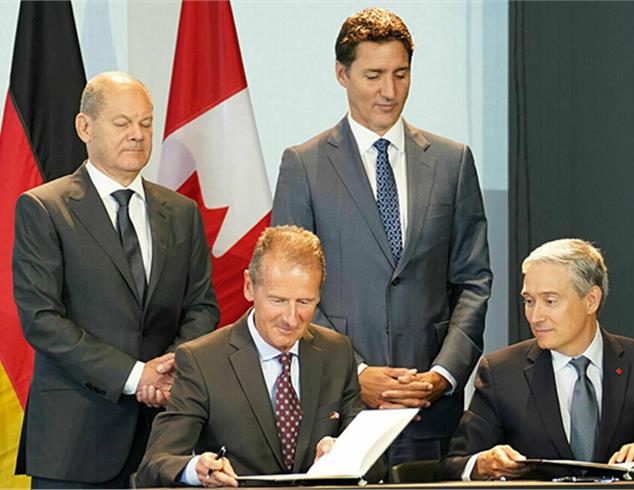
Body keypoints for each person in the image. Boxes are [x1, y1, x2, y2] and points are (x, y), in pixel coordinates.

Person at [271, 7, 492, 464]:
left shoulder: (453, 162)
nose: (389, 91)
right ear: (342, 73)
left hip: (431, 414)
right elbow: (287, 290)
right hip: (338, 413)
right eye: (373, 75)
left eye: (400, 74)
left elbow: (473, 281)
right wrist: (355, 373)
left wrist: (444, 374)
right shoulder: (304, 165)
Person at [12, 71, 219, 488]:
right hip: (75, 444)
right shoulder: (45, 208)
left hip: (165, 439)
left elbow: (202, 307)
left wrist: (171, 368)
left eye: (145, 123)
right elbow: (42, 319)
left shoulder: (180, 212)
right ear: (84, 127)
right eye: (122, 123)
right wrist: (134, 375)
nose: (137, 135)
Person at [438, 239, 634, 480]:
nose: (535, 315)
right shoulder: (503, 372)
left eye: (550, 301)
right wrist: (483, 464)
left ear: (591, 300)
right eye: (528, 301)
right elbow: (454, 464)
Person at [136, 225, 386, 487]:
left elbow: (376, 464)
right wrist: (196, 469)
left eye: (304, 302)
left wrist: (346, 454)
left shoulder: (337, 351)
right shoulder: (202, 360)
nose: (291, 319)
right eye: (278, 300)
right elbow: (154, 465)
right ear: (248, 287)